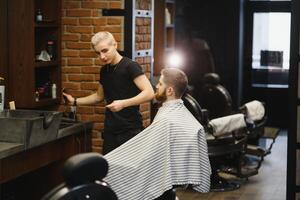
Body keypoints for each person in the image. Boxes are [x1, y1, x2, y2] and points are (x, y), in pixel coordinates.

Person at [104, 68, 211, 200]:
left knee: (109, 165)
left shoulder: (167, 119)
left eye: (160, 84)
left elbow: (154, 156)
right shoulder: (176, 112)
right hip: (159, 166)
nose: (156, 86)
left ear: (170, 90)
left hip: (156, 168)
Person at [63, 31, 154, 154]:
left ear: (115, 45)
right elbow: (98, 96)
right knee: (109, 172)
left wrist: (123, 103)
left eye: (105, 50)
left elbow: (149, 93)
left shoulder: (130, 66)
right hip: (110, 131)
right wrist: (74, 101)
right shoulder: (104, 70)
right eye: (98, 53)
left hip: (130, 130)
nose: (101, 57)